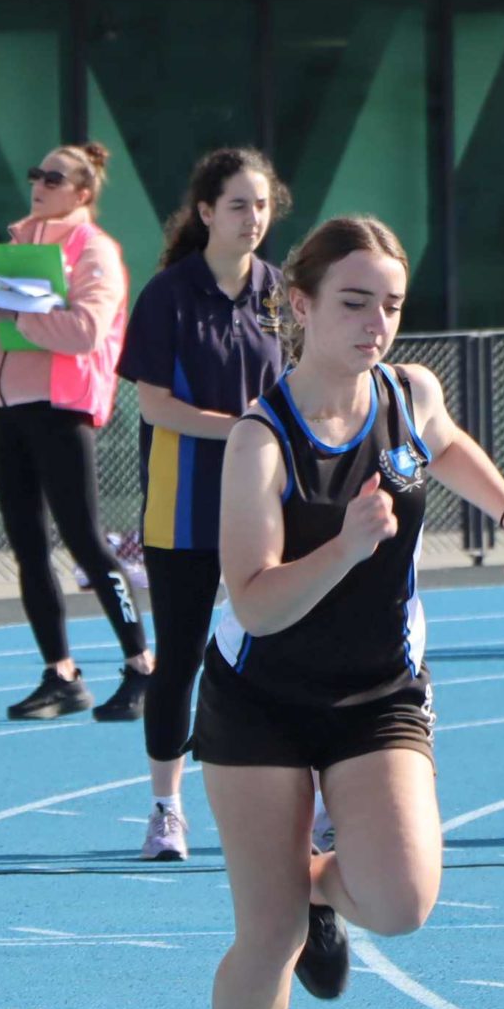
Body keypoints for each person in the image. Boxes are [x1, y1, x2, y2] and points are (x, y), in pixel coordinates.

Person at [188, 215, 504, 1009]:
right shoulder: (257, 442)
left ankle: (321, 885)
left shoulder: (408, 394)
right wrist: (346, 548)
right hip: (258, 699)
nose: (376, 323)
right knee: (263, 936)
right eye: (353, 302)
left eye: (390, 304)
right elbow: (253, 600)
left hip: (375, 692)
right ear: (300, 306)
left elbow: (447, 443)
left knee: (400, 900)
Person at [121, 149, 291, 863]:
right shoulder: (168, 294)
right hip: (185, 505)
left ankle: (300, 806)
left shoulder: (281, 292)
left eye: (262, 205)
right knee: (182, 658)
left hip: (267, 502)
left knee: (283, 653)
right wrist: (244, 428)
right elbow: (155, 404)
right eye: (238, 205)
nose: (253, 219)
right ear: (206, 213)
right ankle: (166, 808)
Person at [0, 141, 151, 721]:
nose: (39, 183)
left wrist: (19, 315)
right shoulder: (17, 247)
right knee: (27, 546)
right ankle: (59, 673)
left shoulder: (95, 251)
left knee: (87, 543)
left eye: (55, 178)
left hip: (61, 409)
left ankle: (142, 665)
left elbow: (87, 331)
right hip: (7, 408)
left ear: (83, 193)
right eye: (37, 173)